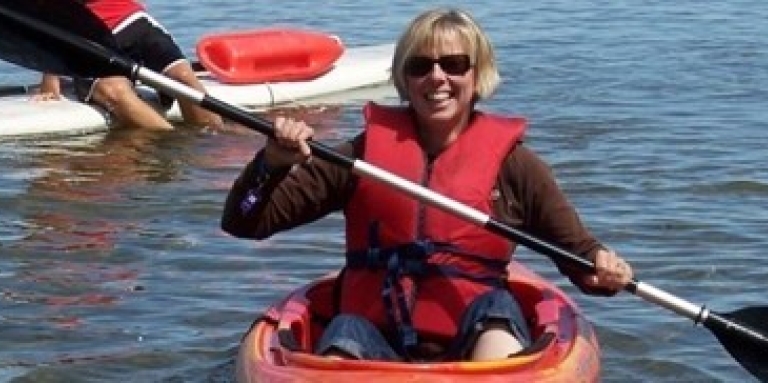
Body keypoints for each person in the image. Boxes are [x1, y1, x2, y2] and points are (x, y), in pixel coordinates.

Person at [221, 7, 634, 365]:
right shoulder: (360, 157)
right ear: (404, 78)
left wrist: (605, 266)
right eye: (420, 66)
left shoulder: (517, 168)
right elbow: (244, 222)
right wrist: (270, 164)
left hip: (477, 333)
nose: (437, 78)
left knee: (497, 310)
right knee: (346, 328)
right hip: (373, 339)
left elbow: (583, 262)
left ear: (477, 74)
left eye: (454, 64)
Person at [35, 0, 221, 130]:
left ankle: (211, 147)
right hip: (86, 37)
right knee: (115, 90)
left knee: (184, 78)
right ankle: (170, 149)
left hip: (132, 20)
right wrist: (51, 74)